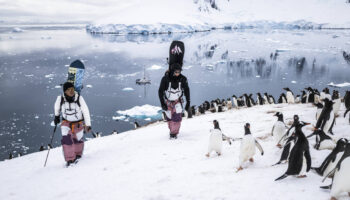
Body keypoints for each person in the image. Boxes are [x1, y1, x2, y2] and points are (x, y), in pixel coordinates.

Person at [54, 82, 91, 166]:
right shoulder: (60, 99)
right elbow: (56, 107)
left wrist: (88, 124)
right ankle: (70, 160)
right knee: (67, 141)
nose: (71, 91)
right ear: (64, 91)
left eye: (72, 89)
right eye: (68, 89)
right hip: (66, 123)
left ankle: (78, 155)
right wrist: (56, 116)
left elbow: (85, 111)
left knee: (77, 140)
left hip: (78, 123)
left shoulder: (79, 99)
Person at [158, 41, 190, 139]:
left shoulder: (183, 79)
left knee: (177, 119)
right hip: (168, 101)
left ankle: (174, 133)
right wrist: (162, 103)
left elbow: (187, 90)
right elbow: (160, 91)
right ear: (172, 70)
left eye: (179, 72)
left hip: (177, 101)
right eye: (176, 72)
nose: (178, 73)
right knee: (170, 119)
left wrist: (188, 102)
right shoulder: (166, 79)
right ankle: (172, 130)